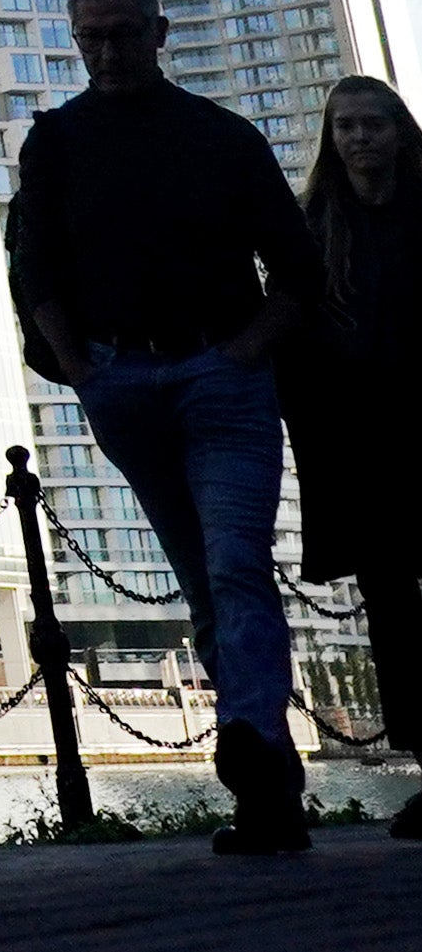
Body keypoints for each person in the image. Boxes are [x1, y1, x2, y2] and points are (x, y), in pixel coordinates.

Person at [9, 0, 320, 856]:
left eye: (121, 34)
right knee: (205, 576)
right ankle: (269, 781)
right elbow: (33, 268)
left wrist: (242, 352)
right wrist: (83, 369)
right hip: (123, 380)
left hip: (220, 374)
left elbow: (298, 269)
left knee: (233, 564)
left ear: (157, 32)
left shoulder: (221, 137)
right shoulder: (55, 143)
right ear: (75, 38)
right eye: (90, 38)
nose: (106, 52)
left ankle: (252, 745)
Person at [291, 71, 422, 834]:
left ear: (397, 130)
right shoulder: (314, 223)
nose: (359, 137)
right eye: (345, 125)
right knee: (392, 612)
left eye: (371, 122)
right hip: (360, 446)